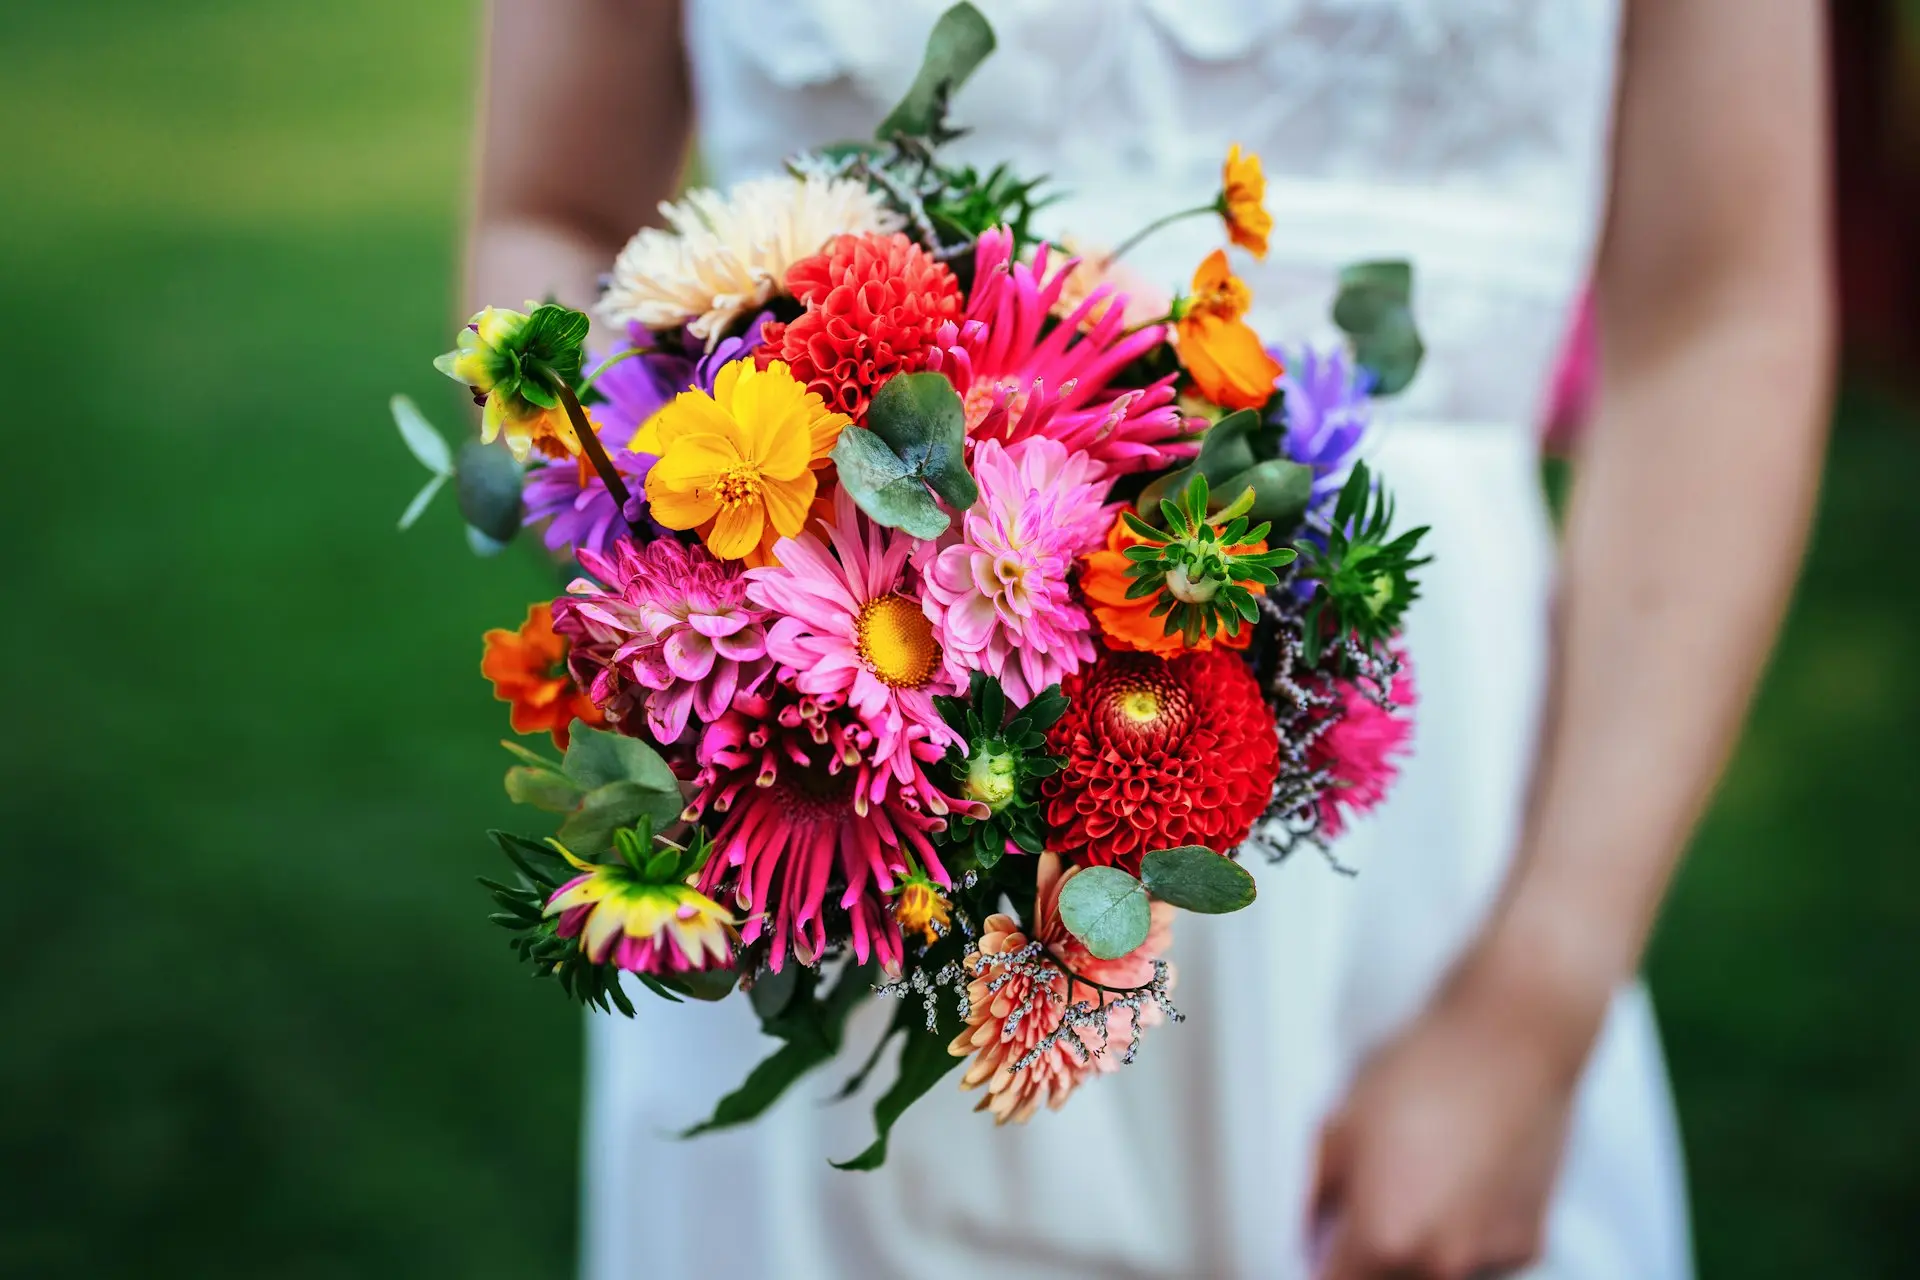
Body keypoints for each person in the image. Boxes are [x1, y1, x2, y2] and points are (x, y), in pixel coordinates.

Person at [464, 1, 1832, 1275]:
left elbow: (1724, 309)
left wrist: (1540, 1004)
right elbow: (547, 214)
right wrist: (708, 600)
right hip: (827, 867)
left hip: (1427, 899)